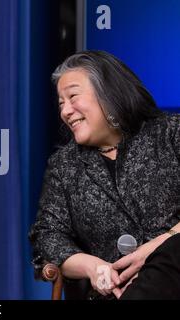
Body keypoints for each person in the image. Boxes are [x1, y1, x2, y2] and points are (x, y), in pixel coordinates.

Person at [29, 50, 180, 299]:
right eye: (60, 103)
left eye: (73, 97)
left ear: (108, 93)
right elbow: (47, 238)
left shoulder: (170, 133)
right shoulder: (64, 166)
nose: (66, 111)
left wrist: (156, 248)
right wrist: (93, 267)